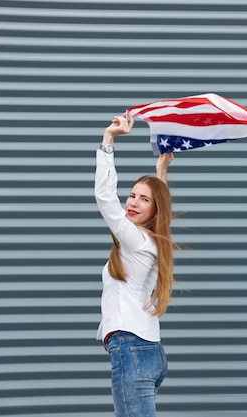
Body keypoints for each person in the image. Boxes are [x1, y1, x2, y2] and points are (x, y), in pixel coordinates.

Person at [94, 113, 177, 417]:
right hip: (149, 352)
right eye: (131, 196)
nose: (131, 203)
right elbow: (161, 209)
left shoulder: (135, 240)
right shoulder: (155, 240)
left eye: (143, 200)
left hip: (131, 349)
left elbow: (104, 197)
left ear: (154, 209)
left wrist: (108, 140)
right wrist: (160, 171)